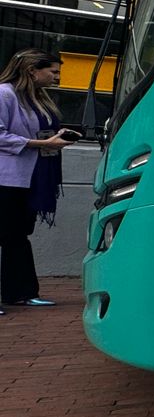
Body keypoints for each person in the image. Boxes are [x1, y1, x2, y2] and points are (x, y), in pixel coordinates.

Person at [0, 50, 74, 312]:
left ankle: (21, 292)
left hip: (27, 176)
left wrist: (56, 137)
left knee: (18, 235)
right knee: (8, 234)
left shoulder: (35, 98)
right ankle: (19, 291)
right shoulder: (5, 93)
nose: (56, 77)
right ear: (32, 70)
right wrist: (41, 143)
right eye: (52, 71)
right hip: (6, 178)